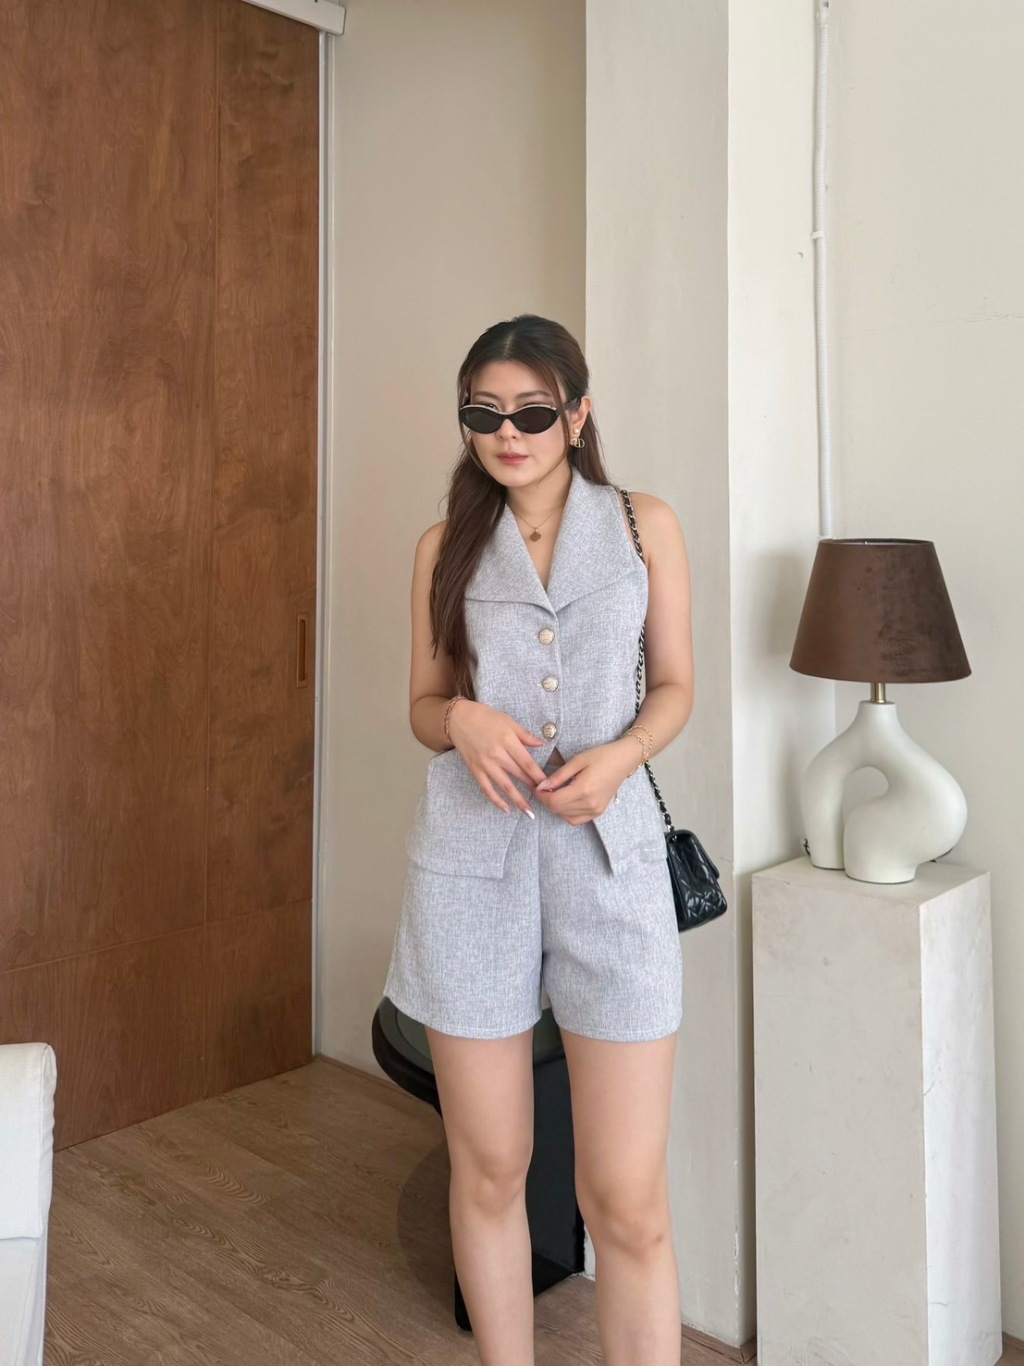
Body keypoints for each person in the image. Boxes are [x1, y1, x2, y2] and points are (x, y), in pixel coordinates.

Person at [382, 314, 694, 1366]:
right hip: (472, 871)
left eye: (530, 412)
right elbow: (423, 705)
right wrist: (461, 720)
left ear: (578, 414)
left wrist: (621, 756)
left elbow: (678, 683)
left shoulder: (645, 526)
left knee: (627, 1199)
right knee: (489, 1169)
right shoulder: (443, 546)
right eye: (484, 414)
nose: (506, 433)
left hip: (612, 867)